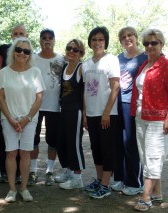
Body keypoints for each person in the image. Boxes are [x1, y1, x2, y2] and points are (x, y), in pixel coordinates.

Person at [130, 29, 168, 211]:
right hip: (141, 117)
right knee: (146, 156)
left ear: (162, 44)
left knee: (153, 156)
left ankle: (146, 197)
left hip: (159, 120)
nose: (150, 46)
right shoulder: (144, 65)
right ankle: (157, 192)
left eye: (154, 42)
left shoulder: (167, 65)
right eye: (146, 43)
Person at [0, 37, 45, 202]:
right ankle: (11, 190)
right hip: (8, 118)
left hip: (29, 119)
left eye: (26, 51)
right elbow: (0, 98)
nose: (22, 53)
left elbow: (39, 98)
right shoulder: (4, 72)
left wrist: (27, 118)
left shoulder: (35, 72)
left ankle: (23, 188)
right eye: (19, 50)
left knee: (25, 153)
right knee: (11, 153)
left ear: (30, 54)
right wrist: (10, 118)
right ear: (13, 52)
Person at [82, 26, 121, 199]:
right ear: (90, 42)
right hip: (91, 113)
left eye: (101, 39)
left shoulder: (111, 60)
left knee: (107, 150)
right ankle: (99, 180)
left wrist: (106, 112)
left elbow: (115, 87)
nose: (97, 42)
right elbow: (84, 90)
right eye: (94, 39)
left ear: (105, 42)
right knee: (96, 149)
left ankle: (105, 185)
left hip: (107, 114)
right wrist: (84, 114)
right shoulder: (86, 63)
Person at [111, 27, 147, 195]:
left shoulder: (144, 57)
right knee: (118, 142)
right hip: (117, 103)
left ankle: (134, 182)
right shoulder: (118, 58)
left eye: (130, 35)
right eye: (123, 37)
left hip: (133, 104)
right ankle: (119, 178)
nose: (127, 39)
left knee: (131, 142)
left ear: (136, 37)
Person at [29, 28, 65, 186]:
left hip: (54, 106)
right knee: (33, 139)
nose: (47, 40)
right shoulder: (32, 59)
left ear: (54, 40)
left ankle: (50, 170)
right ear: (40, 40)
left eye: (50, 37)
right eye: (44, 37)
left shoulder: (61, 60)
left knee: (53, 140)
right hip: (35, 106)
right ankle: (33, 170)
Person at [0, 24, 28, 183]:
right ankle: (5, 173)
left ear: (27, 36)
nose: (18, 35)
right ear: (11, 36)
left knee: (25, 144)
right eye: (15, 33)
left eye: (21, 33)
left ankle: (22, 174)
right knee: (5, 142)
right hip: (5, 103)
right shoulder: (3, 49)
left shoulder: (29, 52)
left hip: (25, 106)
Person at [55, 39, 86, 189]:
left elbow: (86, 94)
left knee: (74, 144)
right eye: (69, 48)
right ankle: (68, 171)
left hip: (76, 111)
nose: (72, 52)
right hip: (64, 111)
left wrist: (85, 115)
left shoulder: (81, 68)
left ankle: (77, 177)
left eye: (76, 50)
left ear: (81, 53)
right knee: (62, 142)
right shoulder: (65, 67)